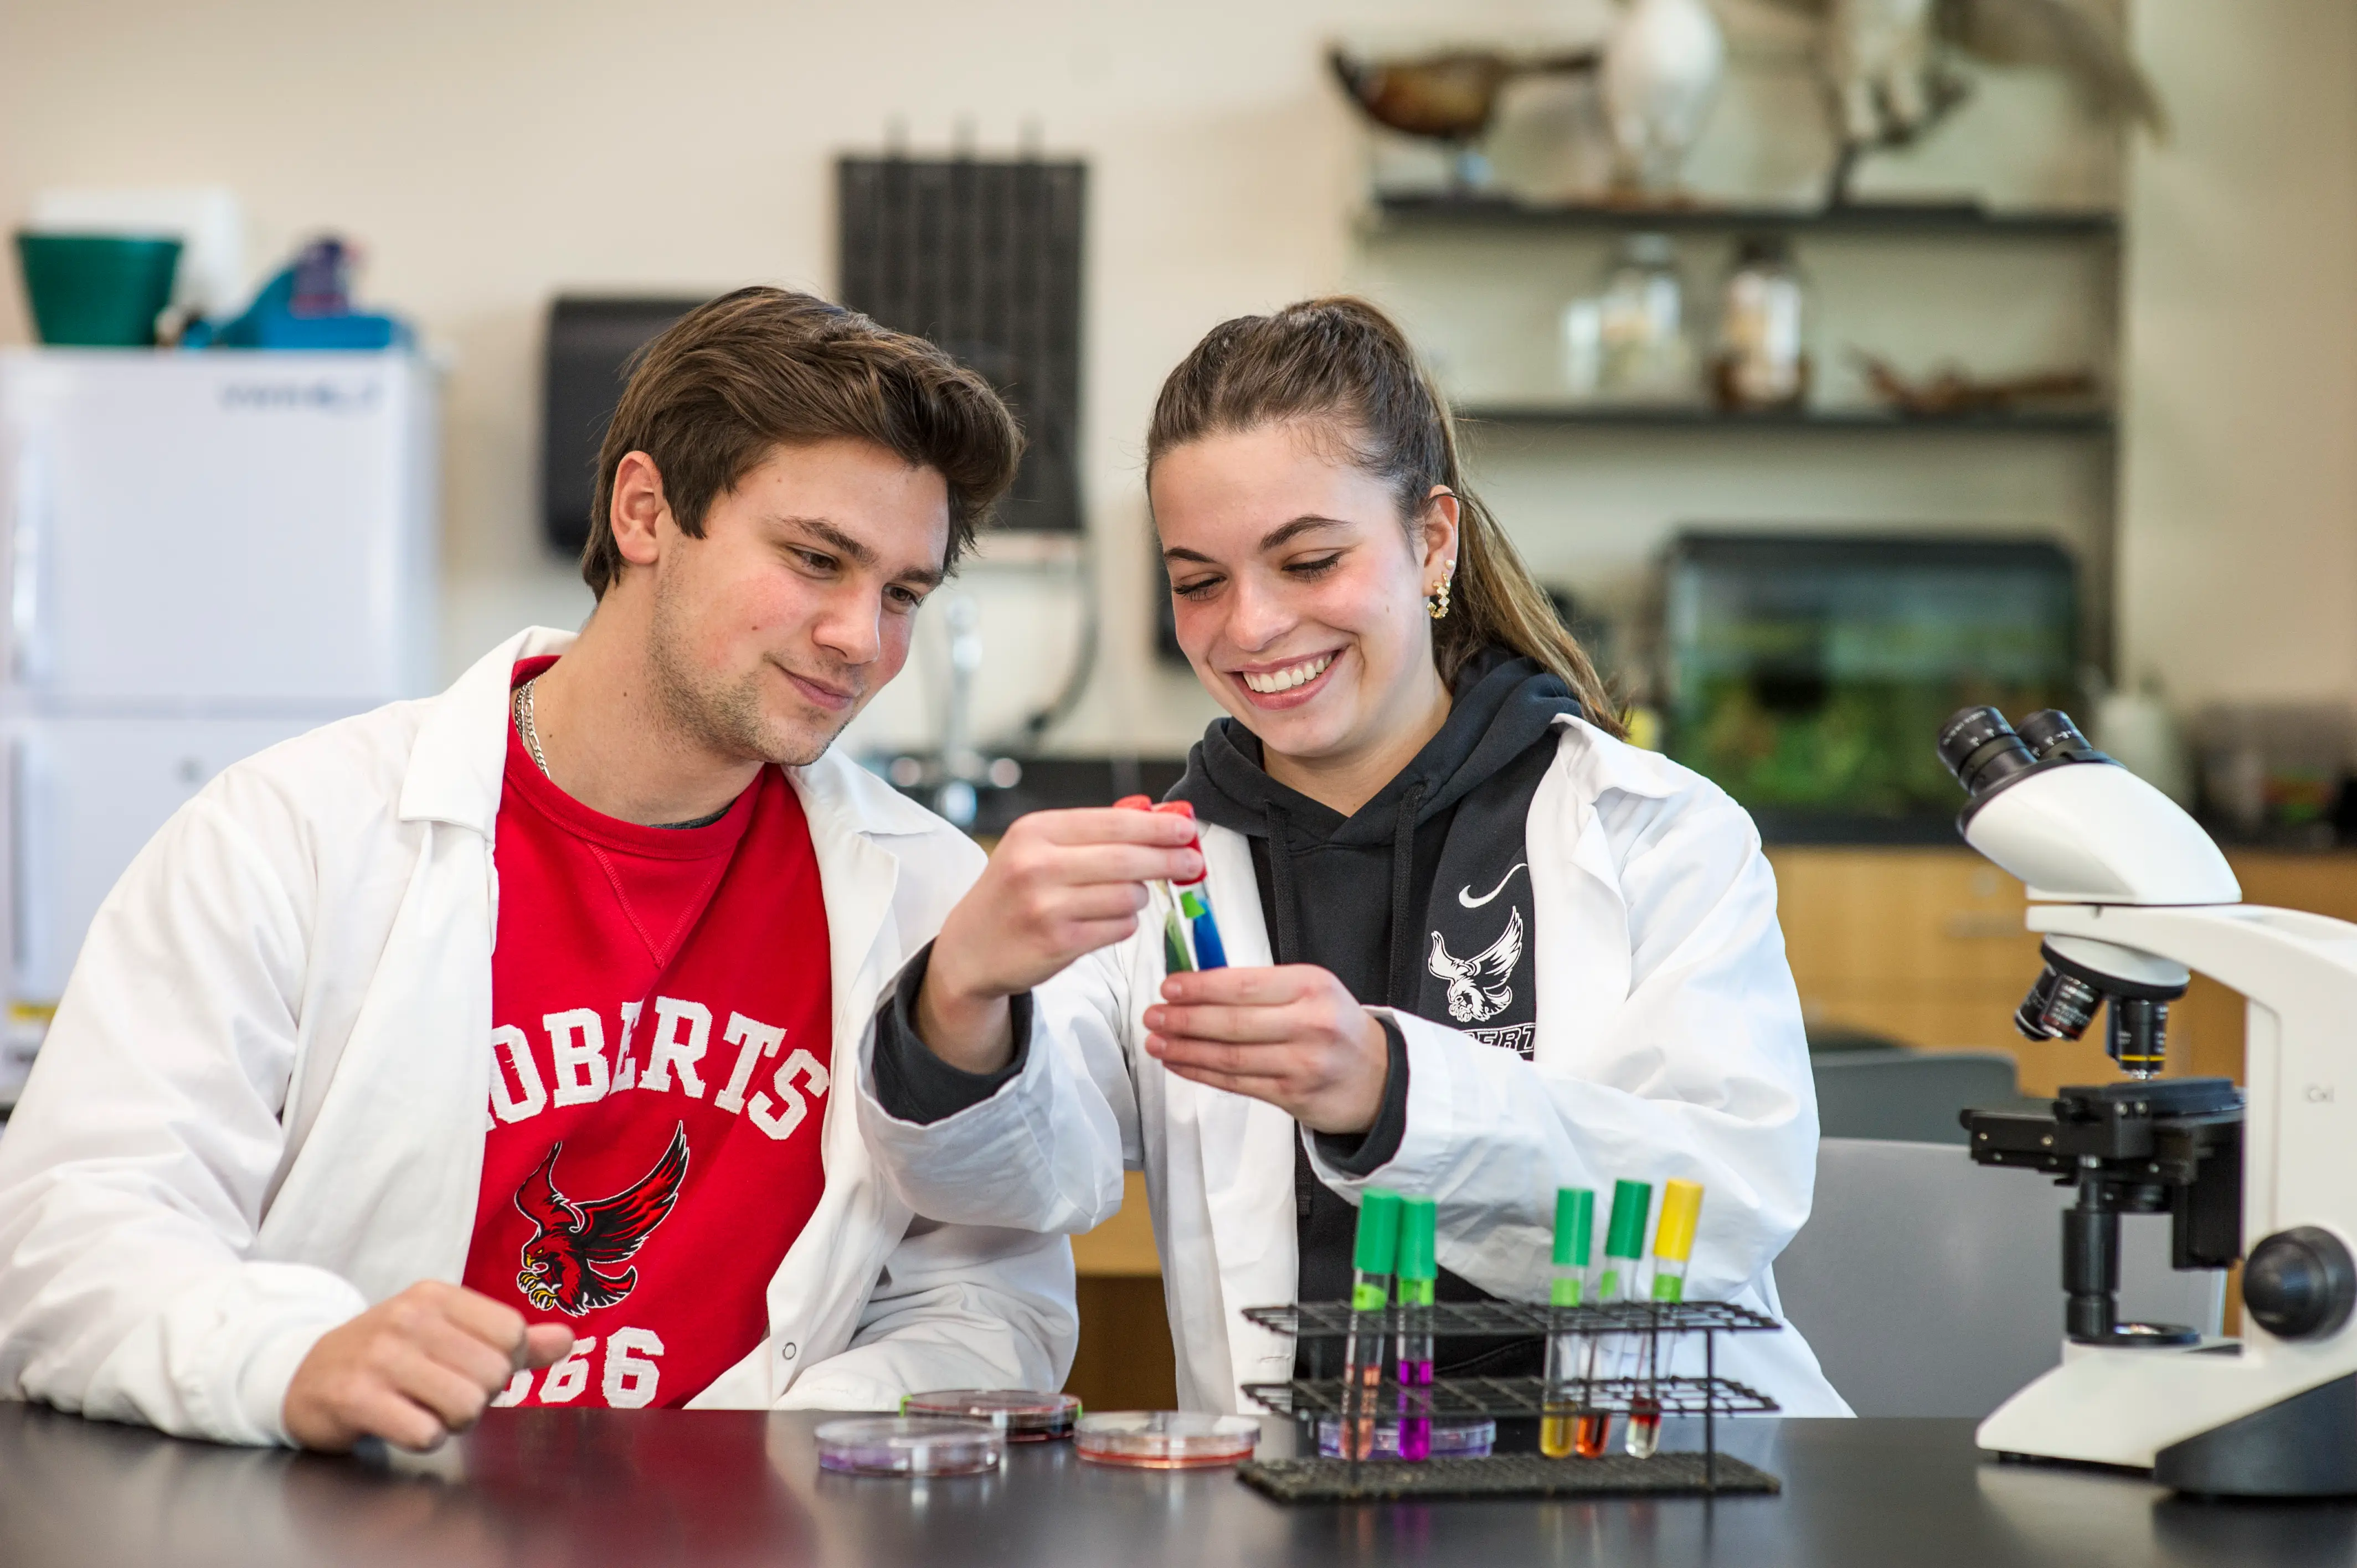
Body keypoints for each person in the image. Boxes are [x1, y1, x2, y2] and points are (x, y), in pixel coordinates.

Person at [0, 287, 1111, 1451]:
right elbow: (69, 1236)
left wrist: (745, 1455)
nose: (858, 638)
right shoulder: (287, 837)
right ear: (644, 511)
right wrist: (290, 1356)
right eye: (814, 558)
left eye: (900, 594)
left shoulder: (924, 890)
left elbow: (991, 1307)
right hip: (364, 1520)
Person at [861, 296, 1848, 1417]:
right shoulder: (1165, 881)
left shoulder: (1648, 829)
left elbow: (1728, 1200)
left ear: (1431, 540)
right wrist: (961, 997)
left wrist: (1391, 1091)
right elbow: (1010, 1184)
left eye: (1308, 560)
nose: (1250, 628)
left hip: (1636, 1502)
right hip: (1300, 1507)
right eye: (1199, 582)